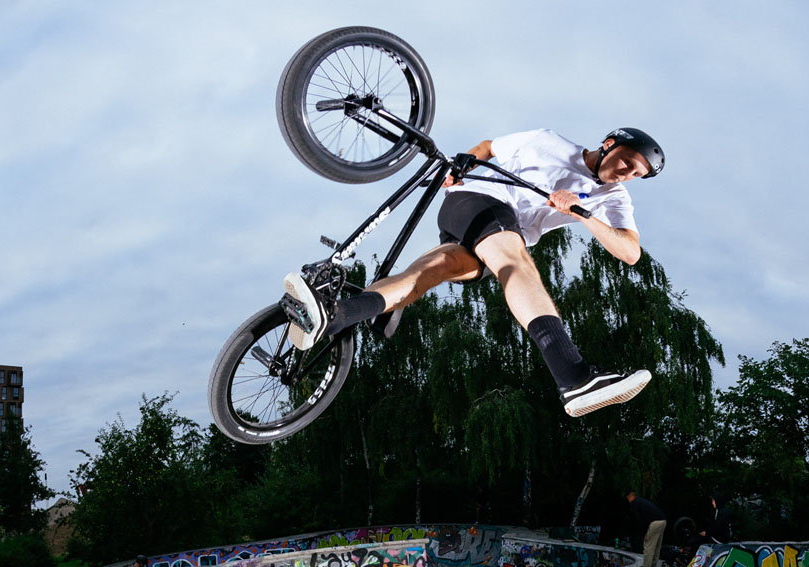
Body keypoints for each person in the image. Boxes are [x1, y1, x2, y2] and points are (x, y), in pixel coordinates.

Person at [283, 126, 664, 418]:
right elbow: (489, 148)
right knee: (516, 264)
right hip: (478, 202)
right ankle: (573, 375)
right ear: (611, 143)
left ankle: (333, 316)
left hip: (490, 237)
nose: (627, 175)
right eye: (628, 163)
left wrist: (583, 213)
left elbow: (629, 252)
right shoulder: (549, 142)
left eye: (637, 175)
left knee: (428, 274)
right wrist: (465, 161)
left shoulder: (612, 197)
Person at [626, 490, 666, 567]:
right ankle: (653, 564)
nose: (628, 500)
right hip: (663, 520)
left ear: (631, 496)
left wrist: (644, 534)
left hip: (655, 522)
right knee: (657, 545)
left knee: (649, 544)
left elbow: (639, 519)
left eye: (628, 498)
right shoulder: (641, 501)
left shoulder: (635, 503)